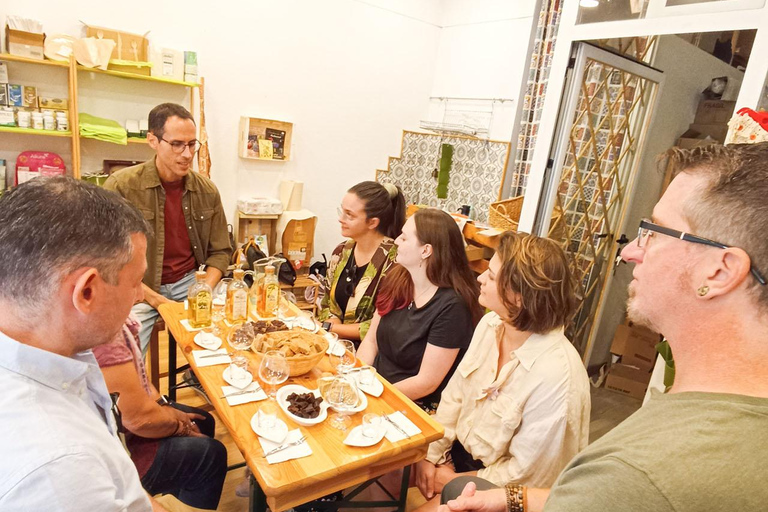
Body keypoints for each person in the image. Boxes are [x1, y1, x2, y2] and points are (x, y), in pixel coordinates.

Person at [438, 143, 768, 512]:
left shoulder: (630, 477)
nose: (629, 252)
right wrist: (511, 496)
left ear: (719, 271)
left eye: (655, 231)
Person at [0, 177, 165, 511]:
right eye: (135, 282)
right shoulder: (59, 470)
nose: (138, 296)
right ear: (86, 291)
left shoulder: (59, 351)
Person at [414, 231, 590, 511]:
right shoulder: (491, 324)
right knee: (382, 469)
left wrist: (451, 481)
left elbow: (526, 476)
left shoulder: (556, 376)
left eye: (492, 276)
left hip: (504, 493)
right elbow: (455, 395)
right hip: (461, 457)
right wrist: (431, 456)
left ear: (519, 297)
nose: (480, 278)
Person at [104, 103, 231, 353]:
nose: (187, 154)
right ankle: (131, 391)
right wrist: (156, 299)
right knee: (123, 352)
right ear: (153, 140)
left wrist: (203, 288)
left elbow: (221, 253)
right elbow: (106, 259)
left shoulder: (207, 190)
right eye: (177, 144)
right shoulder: (121, 186)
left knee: (229, 333)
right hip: (140, 286)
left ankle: (199, 378)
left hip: (190, 282)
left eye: (192, 144)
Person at [93, 314, 227, 510]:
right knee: (212, 454)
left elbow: (142, 381)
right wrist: (179, 427)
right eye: (134, 285)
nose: (140, 295)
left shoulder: (112, 323)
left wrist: (162, 405)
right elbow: (138, 421)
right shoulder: (102, 339)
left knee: (205, 420)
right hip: (117, 450)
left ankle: (181, 490)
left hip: (121, 425)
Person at [358, 208, 483, 412]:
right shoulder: (397, 278)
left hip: (411, 404)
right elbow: (371, 340)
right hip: (374, 388)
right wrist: (358, 378)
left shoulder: (452, 308)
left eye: (404, 238)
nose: (396, 240)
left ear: (426, 250)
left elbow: (426, 382)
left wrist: (375, 396)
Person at [318, 180, 406, 342]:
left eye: (349, 215)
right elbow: (326, 304)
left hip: (370, 351)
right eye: (342, 211)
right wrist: (334, 333)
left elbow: (384, 325)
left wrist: (330, 329)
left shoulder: (396, 262)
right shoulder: (341, 251)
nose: (341, 219)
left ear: (372, 222)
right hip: (335, 342)